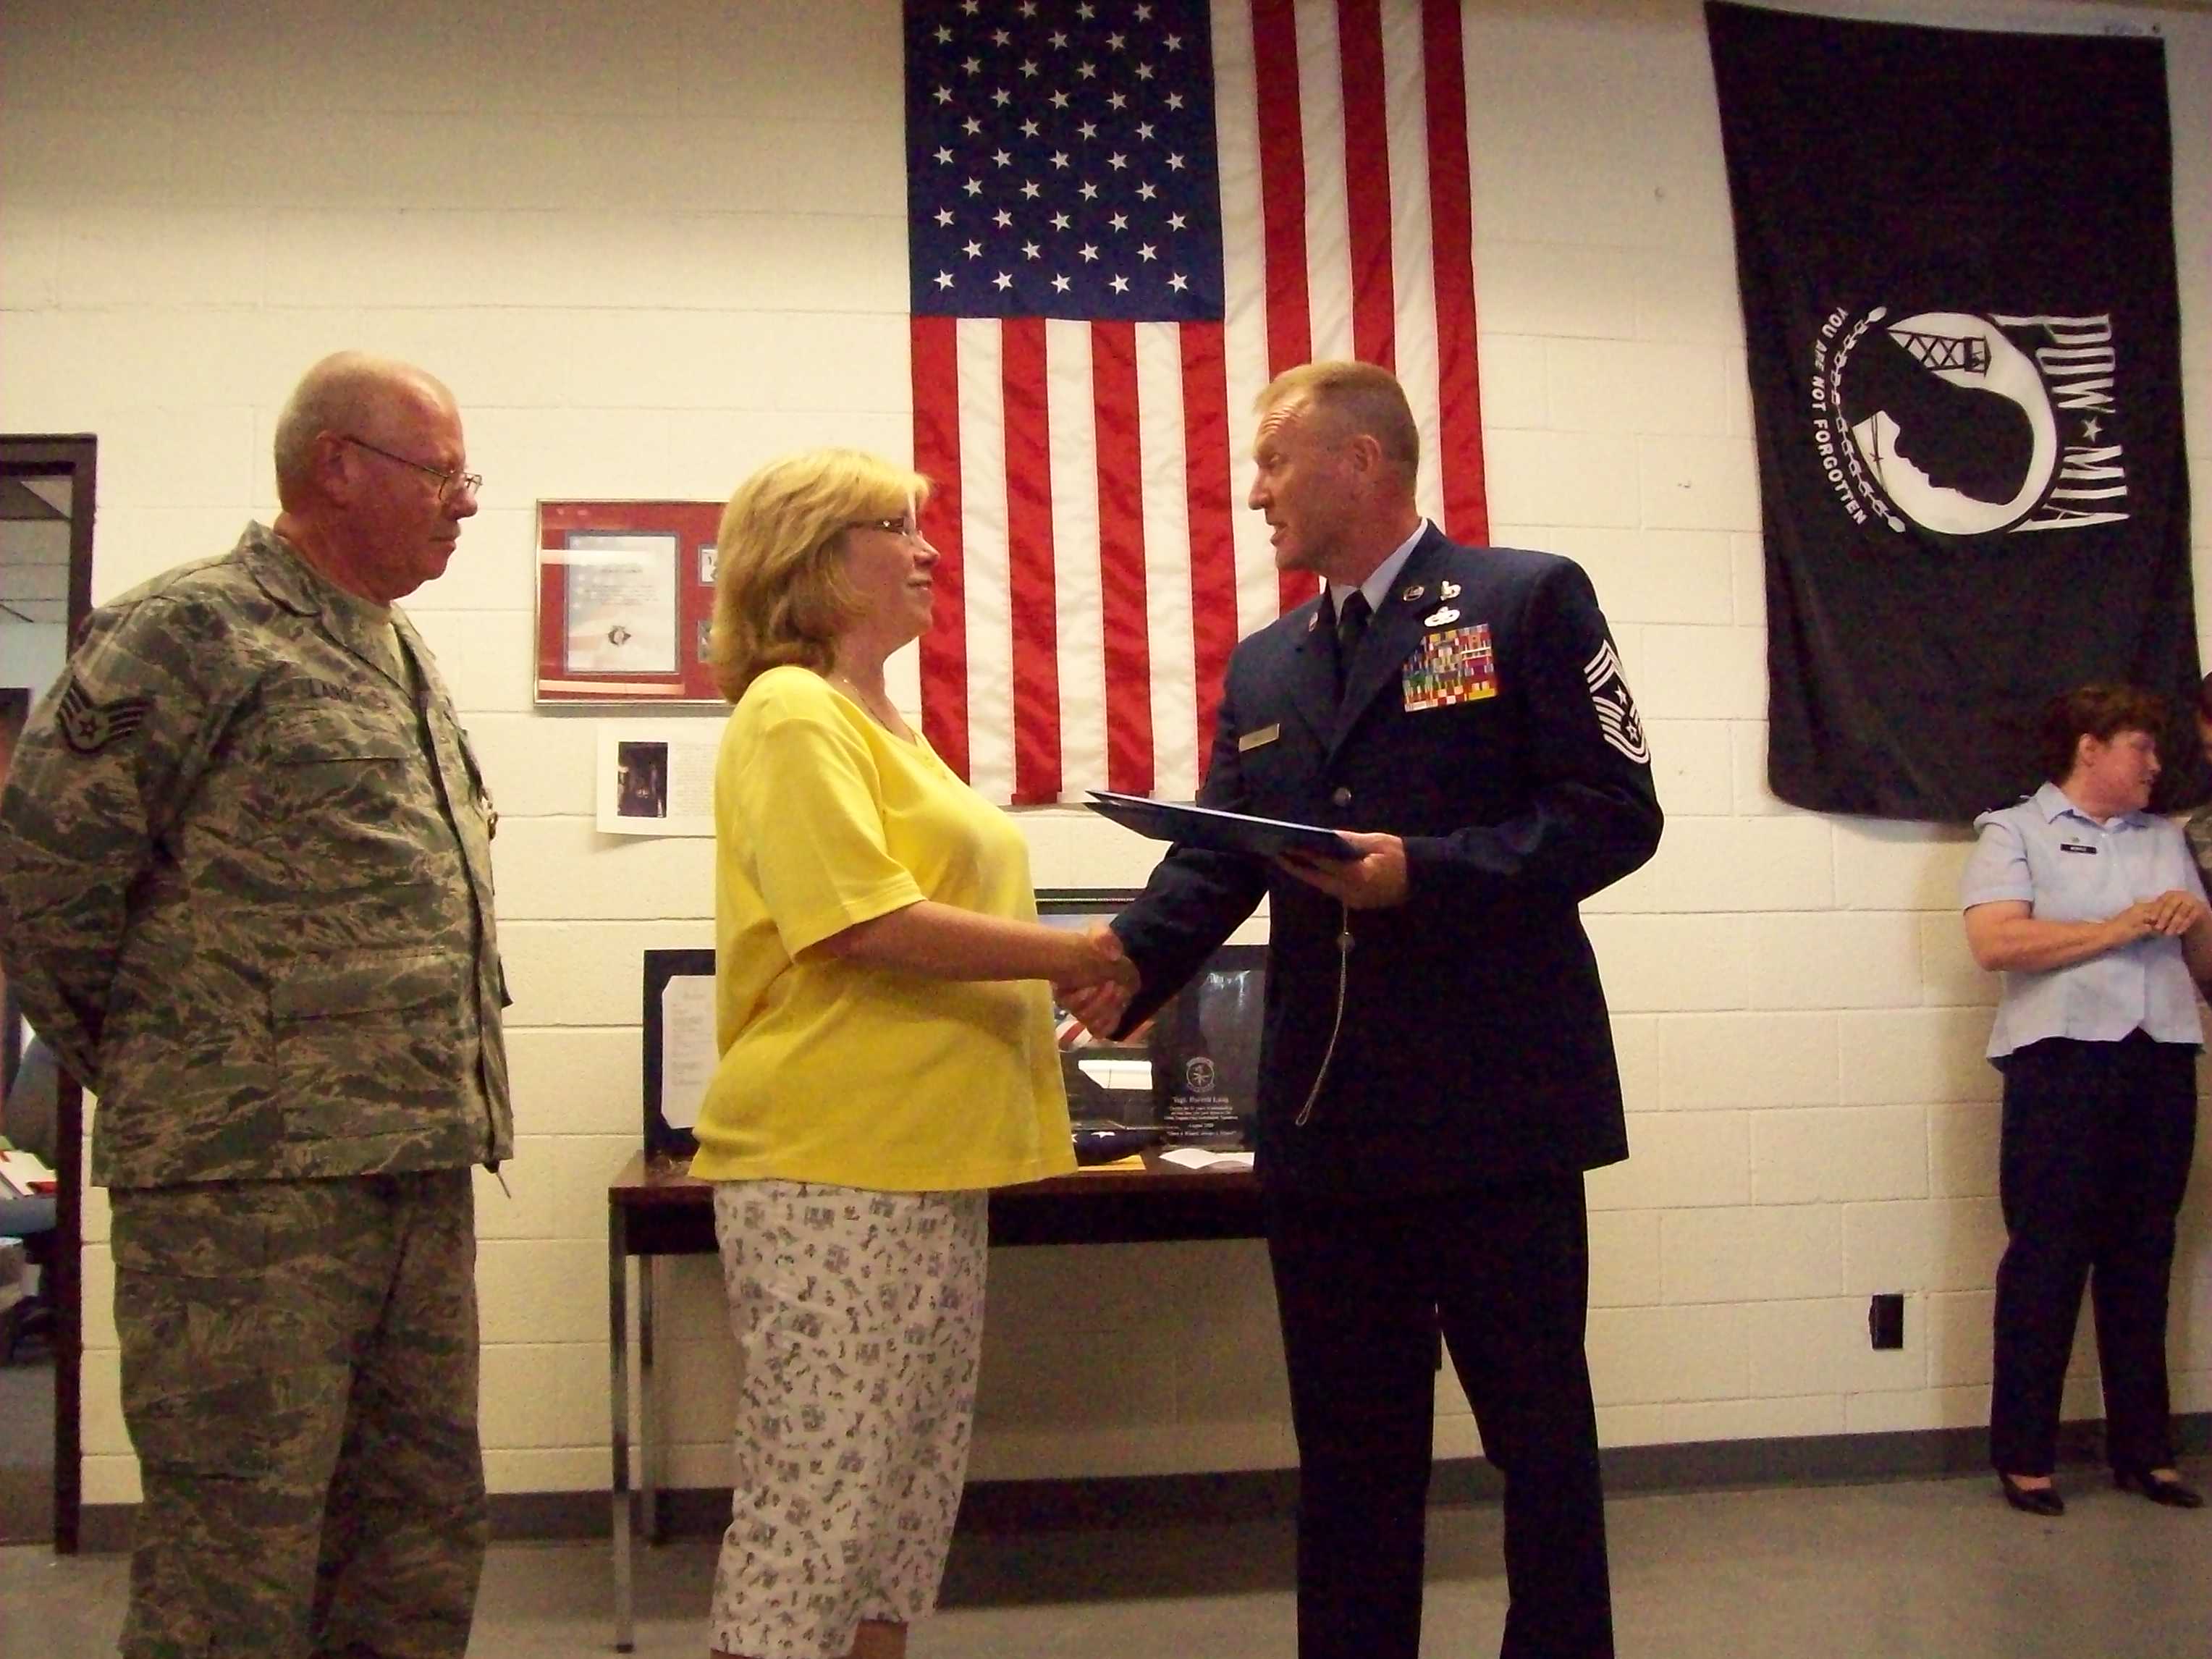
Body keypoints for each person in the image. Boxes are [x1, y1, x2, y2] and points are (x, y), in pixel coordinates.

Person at [1065, 361, 1663, 1659]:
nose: (1252, 489)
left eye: (1273, 458)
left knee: (1537, 1442)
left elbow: (1617, 815)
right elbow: (1222, 852)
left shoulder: (1523, 599)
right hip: (1326, 1124)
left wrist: (1427, 873)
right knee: (1347, 1453)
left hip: (1497, 1112)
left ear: (1361, 462)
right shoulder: (1270, 660)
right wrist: (1129, 957)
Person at [0, 351, 510, 1655]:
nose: (464, 503)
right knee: (237, 1555)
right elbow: (45, 884)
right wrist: (196, 1074)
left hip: (414, 1172)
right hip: (245, 1194)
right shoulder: (193, 630)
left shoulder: (396, 653)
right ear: (338, 466)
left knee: (416, 1530)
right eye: (443, 476)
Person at [695, 449, 1134, 1659]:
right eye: (900, 527)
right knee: (816, 1511)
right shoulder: (789, 711)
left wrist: (1078, 982)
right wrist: (1080, 951)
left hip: (927, 1162)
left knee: (900, 1512)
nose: (931, 550)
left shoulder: (888, 721)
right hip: (832, 1161)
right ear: (817, 556)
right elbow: (862, 920)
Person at [1962, 683, 2208, 1514]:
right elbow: (1995, 942)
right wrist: (2125, 925)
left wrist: (2191, 918)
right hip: (2059, 1069)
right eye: (2141, 746)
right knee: (2045, 1258)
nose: (2156, 764)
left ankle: (2143, 1453)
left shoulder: (2164, 840)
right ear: (2090, 748)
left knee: (2144, 1256)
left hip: (2159, 1062)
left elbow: (2202, 969)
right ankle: (2024, 1456)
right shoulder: (2013, 831)